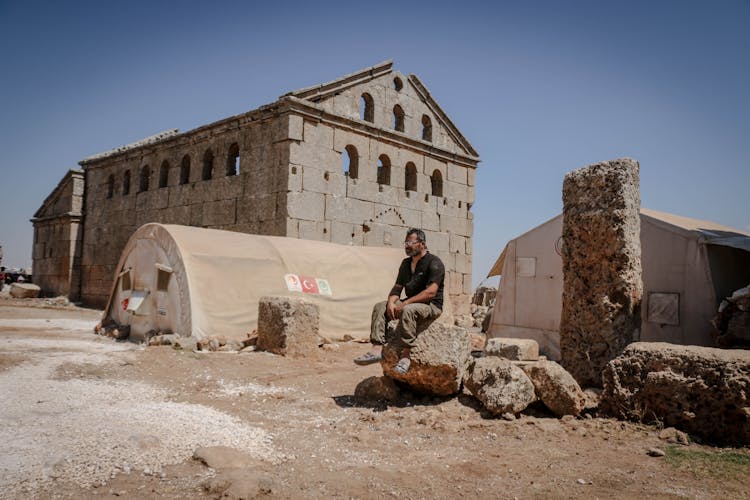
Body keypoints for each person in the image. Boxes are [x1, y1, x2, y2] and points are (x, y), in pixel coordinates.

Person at [354, 228, 445, 374]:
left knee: (408, 310)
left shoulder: (434, 263)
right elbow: (397, 288)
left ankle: (406, 356)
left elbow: (430, 292)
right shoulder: (405, 264)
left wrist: (405, 303)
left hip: (431, 305)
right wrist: (391, 301)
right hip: (410, 301)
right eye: (406, 242)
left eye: (411, 242)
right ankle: (376, 349)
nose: (407, 245)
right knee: (380, 306)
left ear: (422, 244)